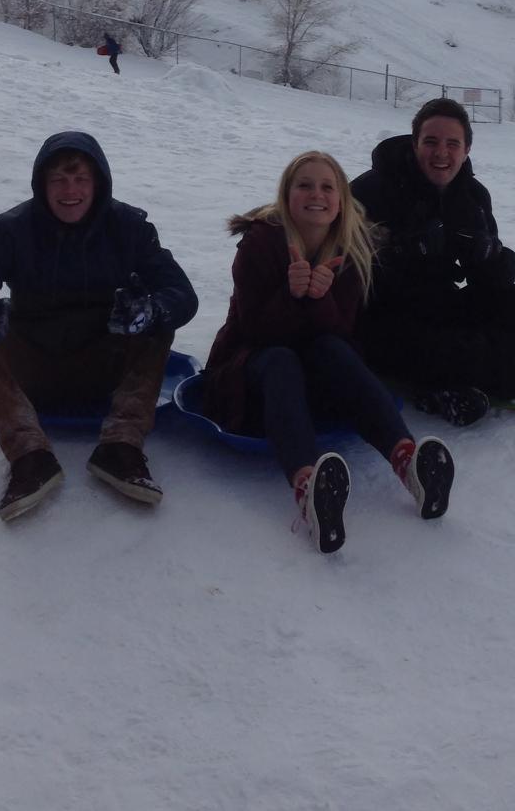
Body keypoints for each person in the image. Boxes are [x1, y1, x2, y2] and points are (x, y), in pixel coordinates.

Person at [0, 131, 198, 520]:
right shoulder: (11, 231)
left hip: (106, 367)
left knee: (156, 317)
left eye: (81, 179)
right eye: (59, 180)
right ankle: (29, 456)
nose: (70, 190)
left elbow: (181, 294)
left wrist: (152, 311)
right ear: (42, 185)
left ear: (98, 182)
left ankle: (122, 447)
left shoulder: (129, 227)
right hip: (32, 369)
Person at [190, 150, 452, 552]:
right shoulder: (260, 245)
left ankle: (407, 460)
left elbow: (341, 331)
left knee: (333, 349)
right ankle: (309, 486)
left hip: (310, 385)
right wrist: (291, 295)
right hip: (247, 378)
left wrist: (319, 298)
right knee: (281, 358)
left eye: (328, 186)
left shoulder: (349, 249)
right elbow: (255, 332)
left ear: (341, 199)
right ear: (287, 195)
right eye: (305, 185)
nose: (318, 194)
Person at [352, 99, 515, 423]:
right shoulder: (372, 190)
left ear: (466, 149)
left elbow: (492, 282)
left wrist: (490, 256)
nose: (441, 153)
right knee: (450, 345)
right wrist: (404, 254)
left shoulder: (471, 196)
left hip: (441, 307)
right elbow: (343, 270)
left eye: (452, 143)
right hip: (384, 319)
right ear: (415, 144)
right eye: (430, 142)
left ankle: (446, 380)